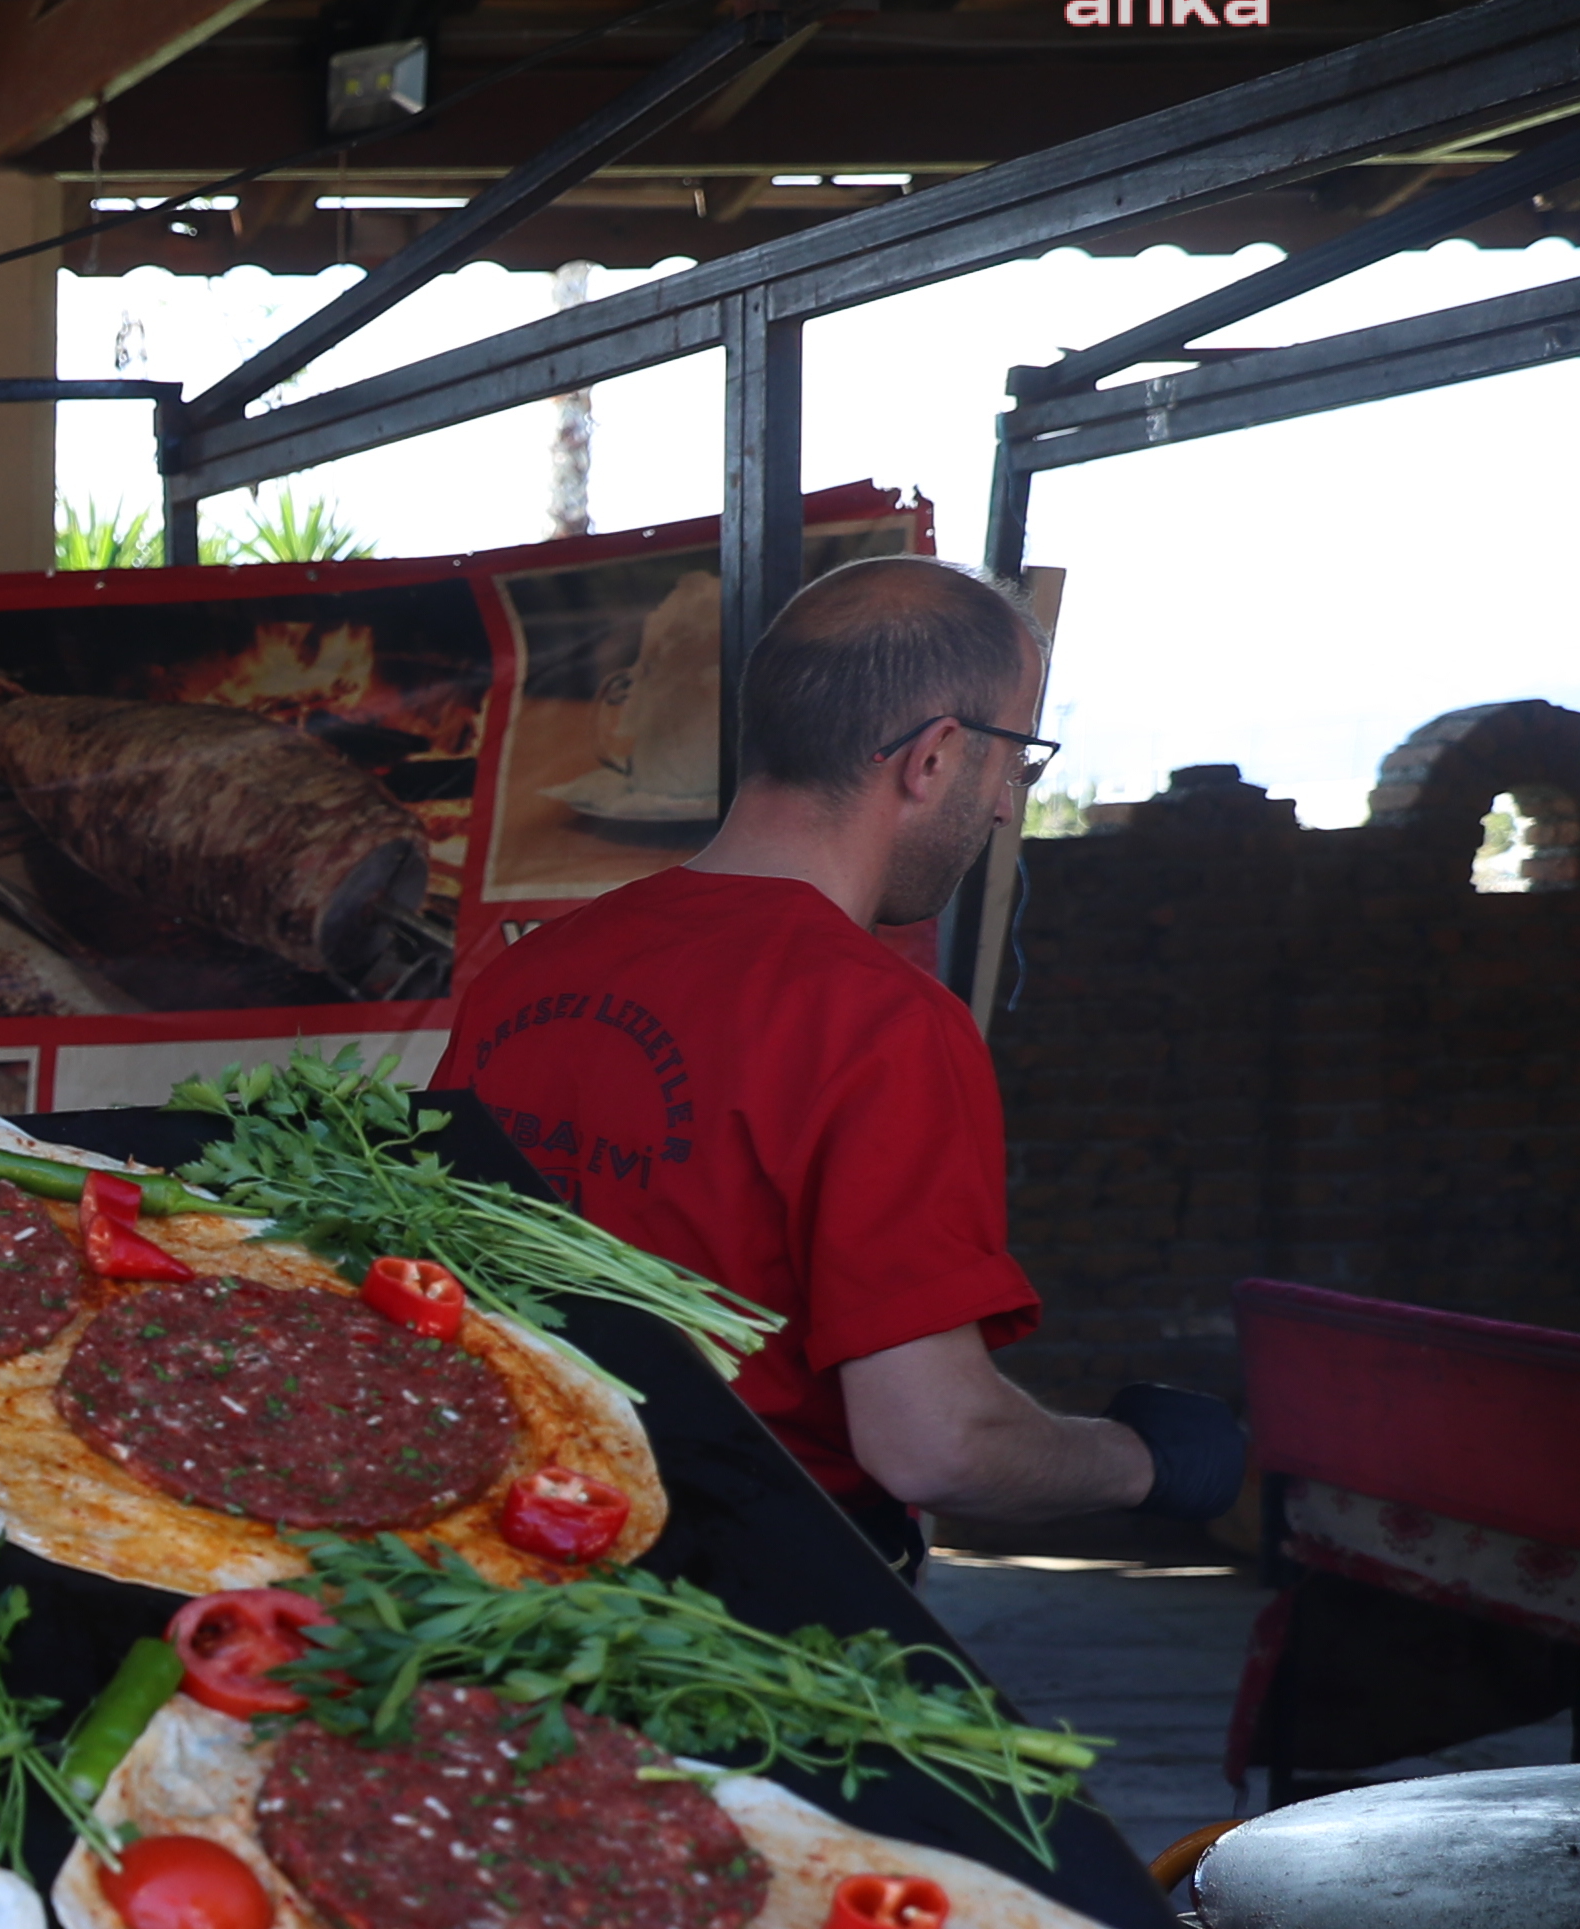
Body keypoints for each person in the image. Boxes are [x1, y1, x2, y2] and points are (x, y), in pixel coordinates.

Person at [441, 554, 1240, 1570]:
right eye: (1015, 763)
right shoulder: (884, 1026)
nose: (1005, 807)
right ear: (935, 757)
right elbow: (937, 1446)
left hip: (511, 1549)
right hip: (754, 1601)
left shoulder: (529, 976)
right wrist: (1145, 1462)